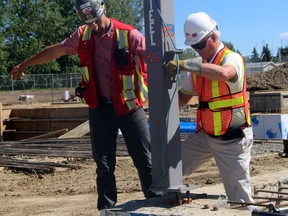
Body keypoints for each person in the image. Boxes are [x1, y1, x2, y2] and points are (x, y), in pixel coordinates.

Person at [9, 0, 156, 211]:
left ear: (103, 9)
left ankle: (153, 204)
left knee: (144, 160)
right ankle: (106, 210)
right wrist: (24, 64)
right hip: (100, 109)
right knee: (104, 165)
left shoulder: (129, 34)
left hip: (130, 108)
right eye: (89, 22)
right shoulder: (83, 34)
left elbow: (154, 58)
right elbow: (56, 51)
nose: (93, 26)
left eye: (95, 21)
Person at [164, 12, 255, 209]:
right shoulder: (200, 67)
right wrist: (160, 109)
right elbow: (182, 97)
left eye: (200, 45)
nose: (197, 51)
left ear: (214, 37)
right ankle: (174, 198)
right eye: (193, 46)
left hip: (231, 138)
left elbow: (225, 74)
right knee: (171, 170)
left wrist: (186, 65)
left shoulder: (232, 58)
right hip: (205, 136)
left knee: (240, 201)